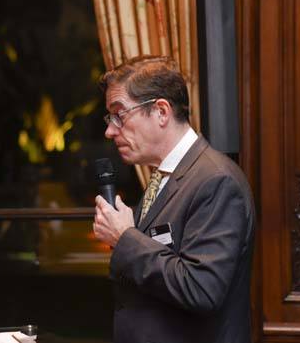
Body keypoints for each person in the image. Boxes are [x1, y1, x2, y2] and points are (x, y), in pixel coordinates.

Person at [93, 56, 255, 343]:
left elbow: (201, 289)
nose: (110, 130)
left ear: (161, 111)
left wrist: (125, 237)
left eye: (119, 115)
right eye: (110, 118)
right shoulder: (163, 176)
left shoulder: (216, 180)